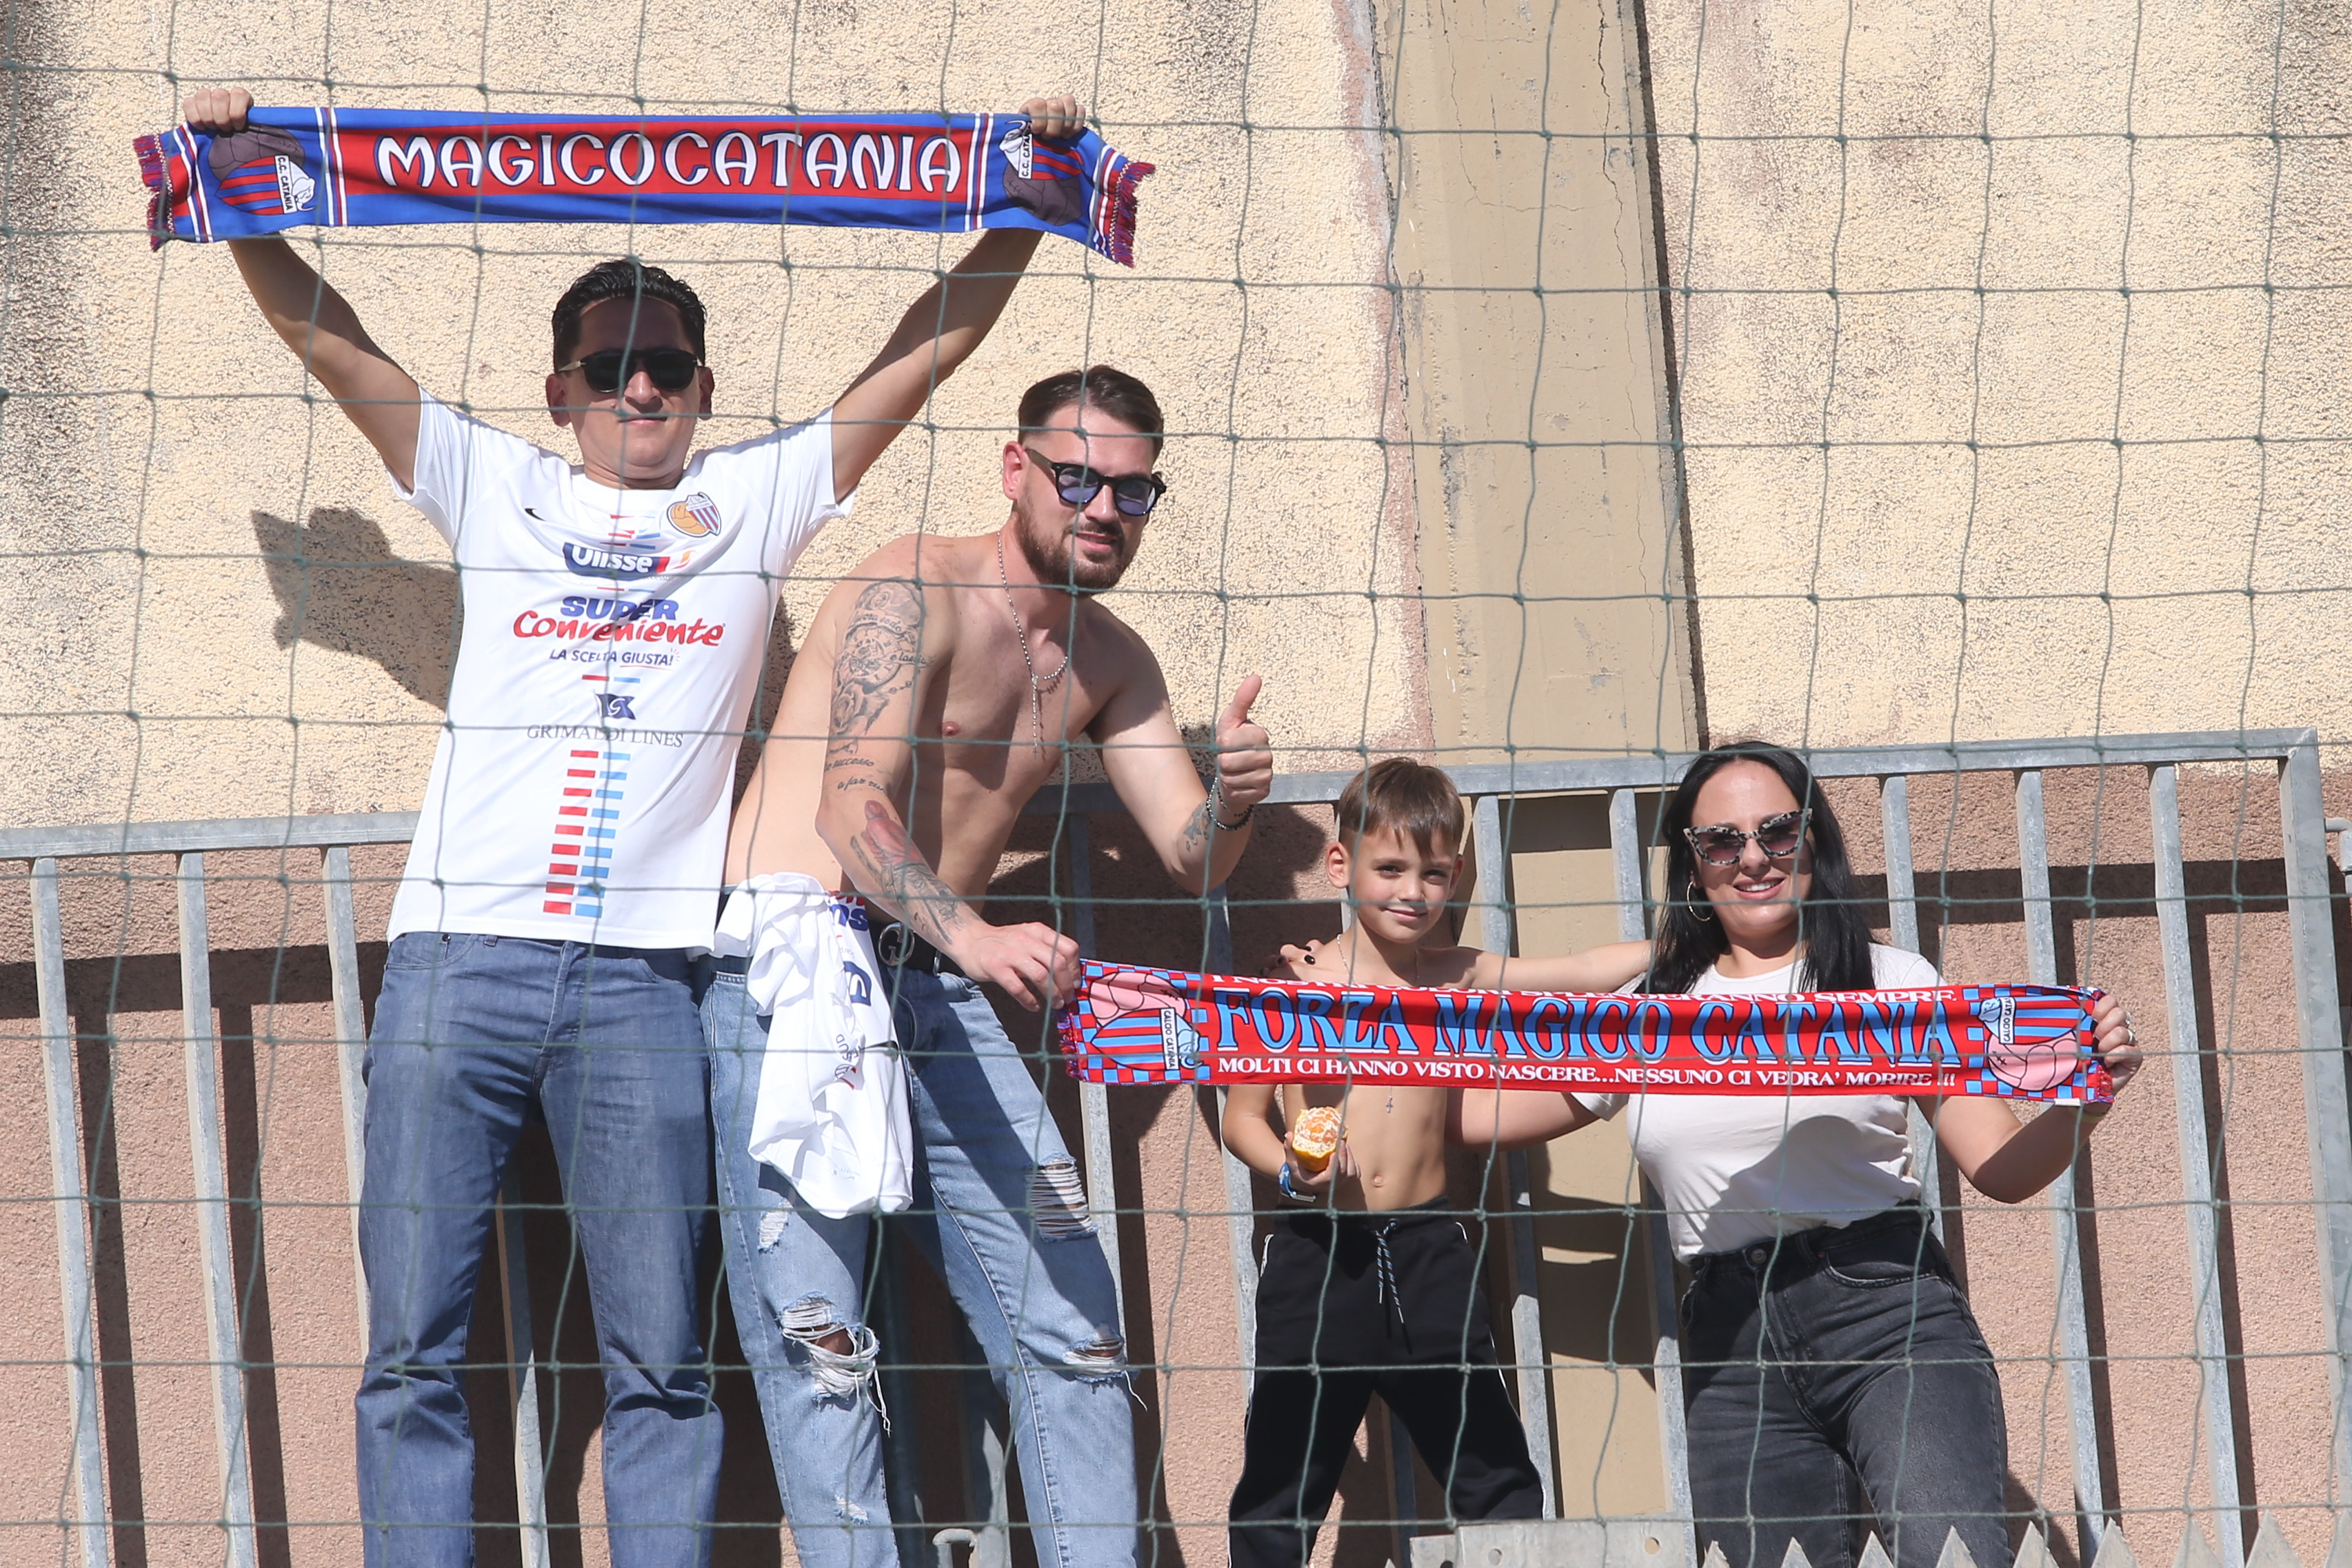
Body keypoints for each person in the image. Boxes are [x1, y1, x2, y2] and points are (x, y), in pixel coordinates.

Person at [179, 83, 1086, 1568]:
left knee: (662, 1361)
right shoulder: (494, 482)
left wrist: (1023, 206)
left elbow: (923, 351)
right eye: (608, 369)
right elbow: (328, 339)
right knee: (414, 1345)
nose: (640, 391)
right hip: (454, 966)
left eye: (665, 367)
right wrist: (235, 192)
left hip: (644, 986)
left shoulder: (757, 498)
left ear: (704, 384)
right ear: (560, 392)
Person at [710, 363, 1272, 1568]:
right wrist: (974, 933)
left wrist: (1227, 800)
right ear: (1016, 469)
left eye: (1133, 488)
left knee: (1074, 1323)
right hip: (799, 968)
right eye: (1078, 477)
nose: (1104, 508)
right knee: (820, 1343)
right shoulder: (913, 589)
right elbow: (851, 805)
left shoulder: (1111, 658)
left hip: (935, 980)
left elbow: (1194, 860)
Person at [1456, 741, 2143, 1568]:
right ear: (1693, 866)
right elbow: (1472, 1117)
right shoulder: (1649, 1016)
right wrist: (1340, 1041)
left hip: (1888, 1313)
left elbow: (1998, 1167)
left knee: (1949, 1555)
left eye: (1779, 831)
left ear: (1815, 841)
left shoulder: (1891, 985)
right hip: (1728, 1337)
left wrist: (2087, 1100)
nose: (1754, 858)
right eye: (1722, 842)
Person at [1219, 756, 1650, 1568]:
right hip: (1318, 1253)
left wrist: (1679, 943)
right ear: (1341, 865)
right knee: (1282, 1483)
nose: (1412, 892)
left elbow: (1578, 973)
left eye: (1435, 874)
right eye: (1390, 868)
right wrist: (1288, 1167)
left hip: (1427, 1250)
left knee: (1494, 1476)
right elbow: (1240, 1117)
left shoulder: (1457, 978)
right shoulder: (1285, 986)